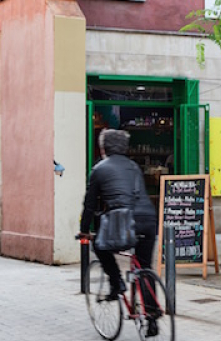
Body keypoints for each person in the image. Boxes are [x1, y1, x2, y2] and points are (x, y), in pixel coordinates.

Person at [78, 130, 160, 335]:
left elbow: (89, 205)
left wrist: (84, 230)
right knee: (145, 267)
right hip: (149, 219)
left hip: (123, 221)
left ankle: (116, 283)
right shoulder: (134, 166)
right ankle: (151, 317)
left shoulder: (98, 169)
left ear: (104, 148)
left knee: (100, 245)